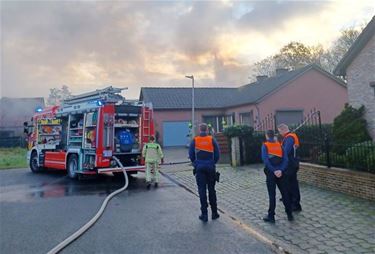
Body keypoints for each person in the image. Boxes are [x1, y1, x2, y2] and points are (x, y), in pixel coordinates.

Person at [189, 123, 220, 222]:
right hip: (210, 168)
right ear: (207, 130)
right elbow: (217, 154)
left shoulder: (195, 140)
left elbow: (191, 154)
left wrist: (196, 164)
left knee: (202, 191)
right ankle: (214, 213)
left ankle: (204, 214)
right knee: (212, 190)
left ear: (199, 129)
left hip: (200, 168)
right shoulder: (211, 139)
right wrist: (213, 163)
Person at [262, 130, 293, 223]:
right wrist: (281, 170)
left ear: (267, 136)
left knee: (272, 195)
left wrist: (274, 170)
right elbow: (286, 159)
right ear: (274, 136)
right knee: (285, 193)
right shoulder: (280, 145)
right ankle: (289, 214)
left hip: (271, 173)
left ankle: (271, 216)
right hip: (281, 173)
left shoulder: (265, 145)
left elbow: (266, 160)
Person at [277, 123, 302, 212]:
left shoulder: (289, 138)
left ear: (283, 130)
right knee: (289, 184)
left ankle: (295, 204)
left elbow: (286, 152)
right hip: (291, 164)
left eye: (280, 132)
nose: (279, 134)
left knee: (292, 185)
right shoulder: (289, 137)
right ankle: (290, 201)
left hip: (291, 164)